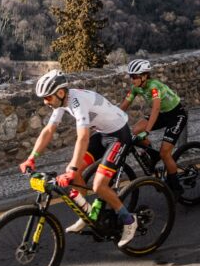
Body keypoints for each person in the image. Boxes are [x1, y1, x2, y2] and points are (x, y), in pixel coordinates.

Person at [19, 70, 137, 247]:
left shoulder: (76, 102)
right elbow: (48, 130)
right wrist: (31, 158)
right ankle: (87, 213)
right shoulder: (61, 102)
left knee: (98, 185)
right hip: (103, 133)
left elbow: (83, 137)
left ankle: (129, 220)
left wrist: (73, 169)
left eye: (48, 97)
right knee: (72, 172)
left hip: (119, 135)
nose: (45, 102)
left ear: (60, 92)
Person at [119, 59, 187, 195]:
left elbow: (155, 109)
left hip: (176, 115)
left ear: (144, 76)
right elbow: (123, 106)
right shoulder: (136, 87)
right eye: (131, 76)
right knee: (135, 130)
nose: (132, 80)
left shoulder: (154, 86)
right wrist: (110, 120)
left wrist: (147, 131)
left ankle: (176, 188)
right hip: (163, 114)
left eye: (135, 76)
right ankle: (152, 154)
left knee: (165, 153)